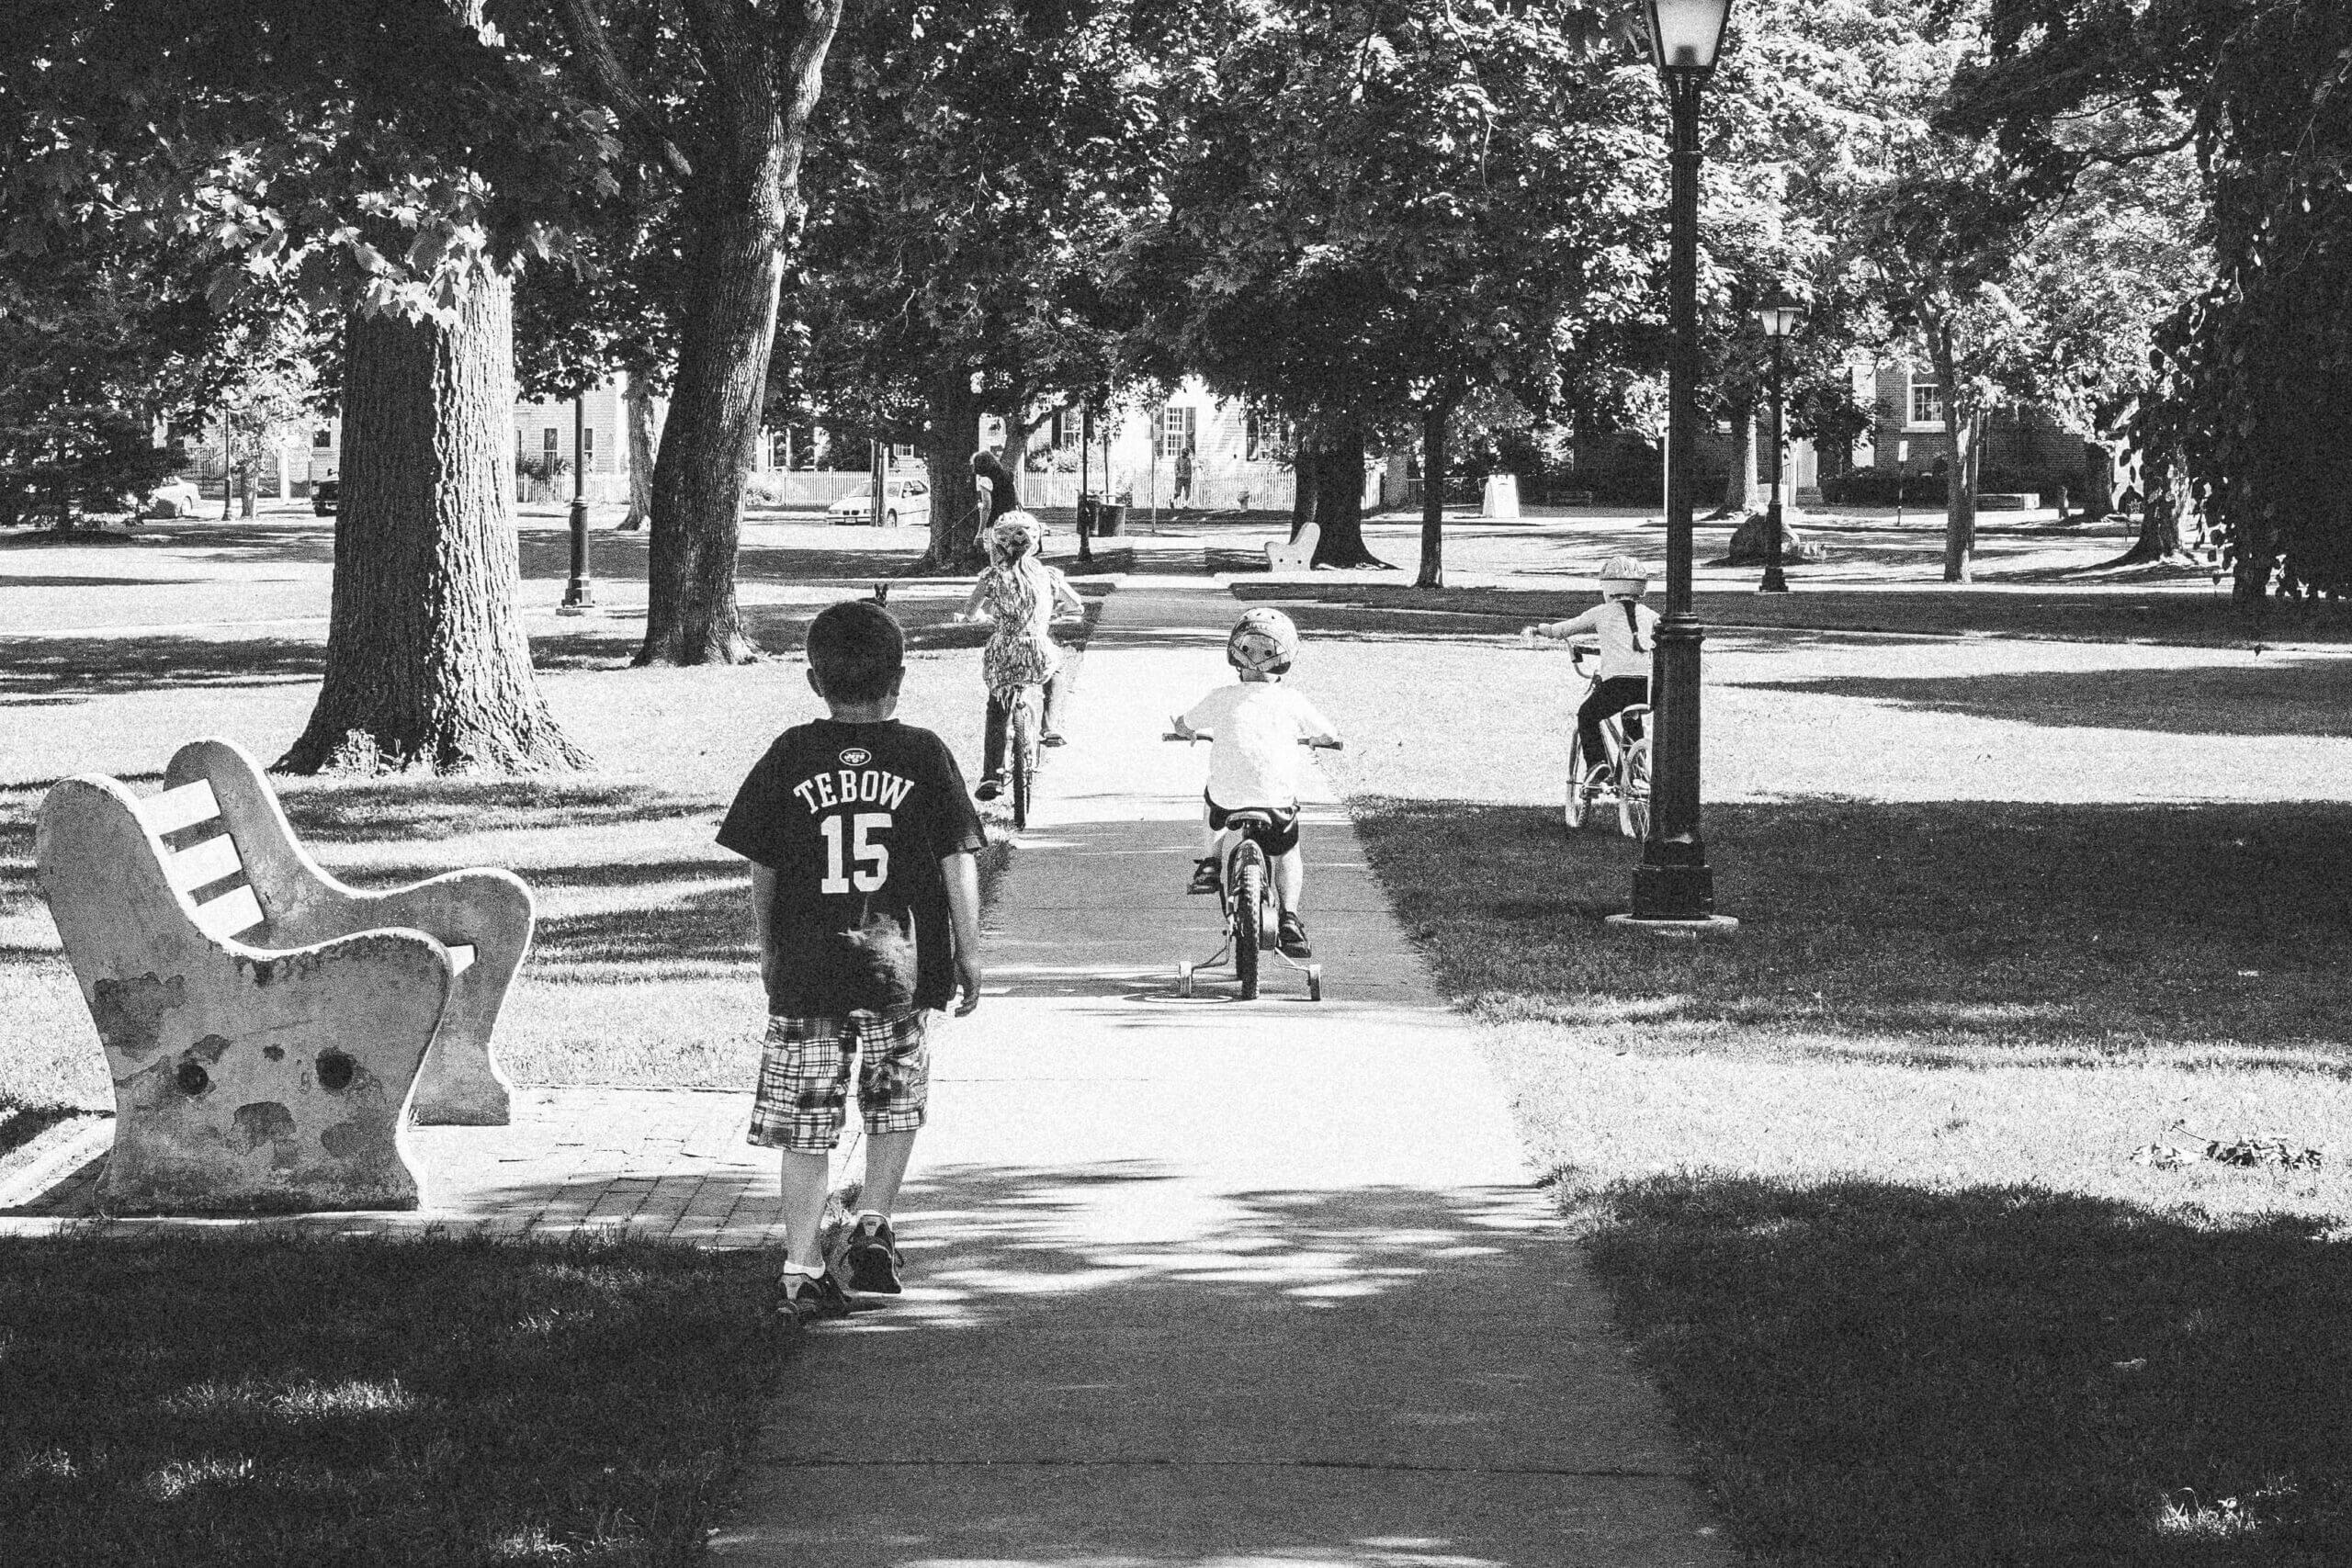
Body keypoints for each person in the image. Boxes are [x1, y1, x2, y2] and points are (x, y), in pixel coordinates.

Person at [715, 600, 986, 1327]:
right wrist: (970, 948)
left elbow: (762, 863)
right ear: (899, 680)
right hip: (896, 968)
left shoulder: (791, 754)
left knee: (806, 1122)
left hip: (807, 969)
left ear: (813, 680)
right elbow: (958, 858)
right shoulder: (924, 754)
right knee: (894, 1100)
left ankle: (800, 1266)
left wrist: (767, 944)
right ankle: (872, 1225)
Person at [1169, 606, 1342, 960]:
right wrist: (1321, 741)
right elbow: (1329, 733)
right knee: (1288, 851)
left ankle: (1210, 862)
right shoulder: (1291, 700)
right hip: (1276, 801)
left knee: (1210, 799)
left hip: (1228, 798)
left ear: (1235, 654)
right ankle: (1290, 918)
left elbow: (1185, 724)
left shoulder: (1220, 697)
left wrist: (1185, 731)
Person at [958, 511, 1086, 797]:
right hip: (1037, 650)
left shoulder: (991, 577)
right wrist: (1065, 611)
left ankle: (991, 775)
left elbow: (969, 610)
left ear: (999, 546)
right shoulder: (1047, 575)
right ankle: (1051, 727)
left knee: (996, 709)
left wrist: (977, 616)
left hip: (1003, 653)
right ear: (1035, 542)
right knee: (1056, 669)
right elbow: (1076, 603)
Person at [1522, 555, 1660, 787]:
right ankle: (1634, 770)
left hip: (1617, 684)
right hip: (1647, 686)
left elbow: (1565, 629)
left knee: (1587, 715)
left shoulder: (1601, 612)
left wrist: (1541, 630)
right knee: (1632, 718)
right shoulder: (1651, 615)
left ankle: (1597, 764)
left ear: (1607, 587)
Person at [972, 448, 1020, 533]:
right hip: (1012, 520)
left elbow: (987, 507)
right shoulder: (1008, 475)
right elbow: (1017, 500)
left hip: (996, 523)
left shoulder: (985, 480)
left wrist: (980, 532)